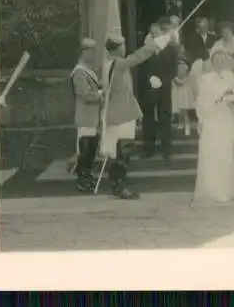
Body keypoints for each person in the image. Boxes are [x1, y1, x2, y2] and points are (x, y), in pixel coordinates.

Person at [101, 31, 171, 199]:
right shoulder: (117, 64)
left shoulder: (108, 64)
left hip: (116, 112)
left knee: (117, 151)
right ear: (117, 49)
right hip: (121, 114)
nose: (125, 48)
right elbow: (139, 56)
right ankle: (120, 186)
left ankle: (115, 184)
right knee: (123, 151)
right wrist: (159, 42)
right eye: (123, 46)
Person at [193, 47, 234, 203]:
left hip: (227, 118)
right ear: (212, 62)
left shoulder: (231, 77)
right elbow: (201, 102)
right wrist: (218, 99)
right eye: (217, 60)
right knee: (214, 152)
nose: (220, 63)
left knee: (228, 152)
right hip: (213, 118)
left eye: (223, 60)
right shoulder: (205, 79)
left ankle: (229, 188)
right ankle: (214, 190)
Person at [139, 17, 180, 160]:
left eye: (156, 33)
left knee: (165, 118)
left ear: (163, 33)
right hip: (149, 89)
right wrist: (149, 78)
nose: (154, 36)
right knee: (148, 118)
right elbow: (141, 67)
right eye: (152, 34)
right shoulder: (146, 49)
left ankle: (166, 149)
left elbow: (173, 69)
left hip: (164, 88)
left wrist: (162, 81)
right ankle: (148, 149)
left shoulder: (172, 49)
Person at [70, 38, 104, 193]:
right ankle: (82, 178)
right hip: (85, 116)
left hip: (93, 117)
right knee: (85, 150)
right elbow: (85, 95)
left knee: (91, 149)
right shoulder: (79, 72)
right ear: (84, 52)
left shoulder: (89, 70)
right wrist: (101, 94)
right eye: (91, 51)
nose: (93, 54)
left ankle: (88, 176)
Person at [171, 59, 194, 136]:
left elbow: (181, 82)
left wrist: (175, 78)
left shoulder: (186, 76)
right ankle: (181, 124)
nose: (181, 70)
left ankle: (187, 128)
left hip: (183, 93)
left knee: (184, 111)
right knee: (179, 111)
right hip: (178, 93)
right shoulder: (175, 76)